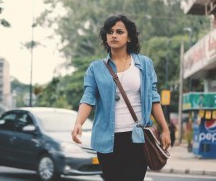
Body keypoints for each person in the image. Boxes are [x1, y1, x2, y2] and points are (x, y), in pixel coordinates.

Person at [71, 14, 171, 181]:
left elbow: (154, 97)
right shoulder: (96, 68)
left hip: (137, 138)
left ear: (129, 37)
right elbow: (88, 98)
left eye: (119, 31)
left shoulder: (144, 64)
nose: (114, 35)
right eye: (110, 32)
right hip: (107, 140)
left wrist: (165, 129)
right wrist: (78, 123)